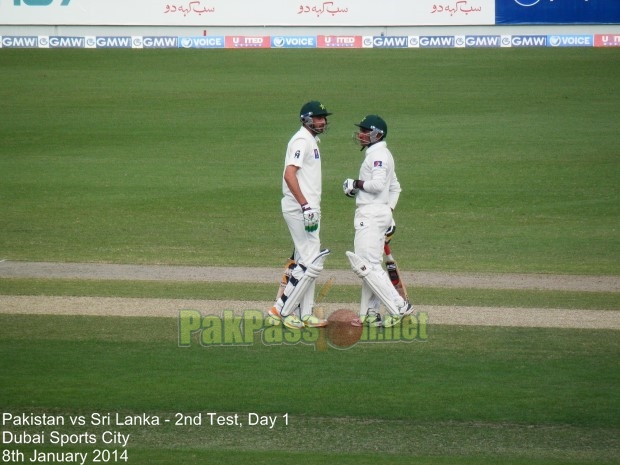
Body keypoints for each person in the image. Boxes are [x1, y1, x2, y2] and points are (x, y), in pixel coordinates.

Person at [343, 114, 413, 327]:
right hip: (378, 213)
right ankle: (370, 314)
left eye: (366, 131)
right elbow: (395, 187)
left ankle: (399, 305)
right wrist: (388, 210)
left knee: (366, 266)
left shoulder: (378, 155)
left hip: (370, 215)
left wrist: (355, 183)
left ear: (377, 134)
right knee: (370, 266)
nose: (361, 134)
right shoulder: (382, 154)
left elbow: (378, 185)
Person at [269, 101, 332, 330]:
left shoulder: (312, 141)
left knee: (311, 261)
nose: (322, 121)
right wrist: (305, 206)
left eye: (323, 117)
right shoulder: (301, 141)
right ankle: (281, 310)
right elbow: (289, 175)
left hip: (309, 209)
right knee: (308, 262)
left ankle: (305, 314)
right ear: (306, 119)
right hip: (299, 209)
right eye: (318, 117)